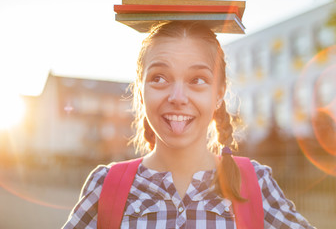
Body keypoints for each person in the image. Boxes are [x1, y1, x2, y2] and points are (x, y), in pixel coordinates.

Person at [62, 21, 315, 228]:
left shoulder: (255, 183)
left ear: (219, 94)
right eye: (159, 78)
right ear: (140, 91)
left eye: (198, 79)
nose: (178, 97)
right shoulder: (106, 186)